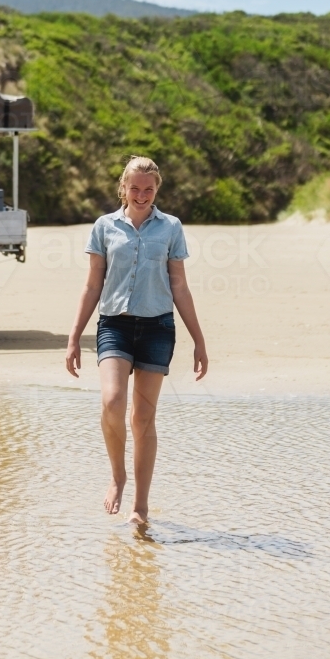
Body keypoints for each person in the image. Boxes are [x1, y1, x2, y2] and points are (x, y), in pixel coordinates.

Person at [65, 156, 208, 524]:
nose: (142, 195)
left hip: (157, 328)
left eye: (149, 188)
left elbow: (179, 285)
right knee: (113, 402)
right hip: (115, 325)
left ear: (157, 189)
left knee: (142, 418)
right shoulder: (104, 227)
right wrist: (73, 337)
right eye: (135, 188)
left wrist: (199, 341)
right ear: (123, 188)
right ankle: (118, 476)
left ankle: (140, 507)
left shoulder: (171, 228)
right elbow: (93, 284)